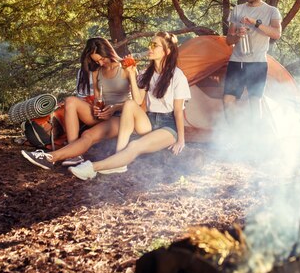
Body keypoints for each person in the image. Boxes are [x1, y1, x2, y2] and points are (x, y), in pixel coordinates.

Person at [22, 32, 191, 180]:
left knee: (130, 143)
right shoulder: (148, 73)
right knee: (81, 102)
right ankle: (103, 156)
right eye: (150, 43)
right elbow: (137, 101)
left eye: (155, 45)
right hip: (147, 120)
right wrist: (131, 76)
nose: (150, 47)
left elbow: (177, 111)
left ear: (167, 51)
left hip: (163, 124)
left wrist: (181, 140)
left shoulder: (177, 76)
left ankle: (83, 164)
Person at [22, 37, 132, 167]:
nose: (101, 63)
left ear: (108, 52)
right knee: (70, 101)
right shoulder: (97, 70)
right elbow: (98, 98)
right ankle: (75, 154)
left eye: (102, 59)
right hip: (103, 114)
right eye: (97, 61)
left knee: (87, 135)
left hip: (121, 116)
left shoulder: (126, 67)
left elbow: (136, 103)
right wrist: (98, 109)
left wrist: (114, 108)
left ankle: (50, 158)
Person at [223, 0, 282, 124]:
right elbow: (228, 40)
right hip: (236, 61)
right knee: (228, 99)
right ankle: (234, 135)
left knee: (255, 101)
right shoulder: (237, 9)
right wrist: (237, 35)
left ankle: (254, 139)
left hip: (257, 63)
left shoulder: (271, 11)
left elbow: (276, 33)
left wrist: (256, 23)